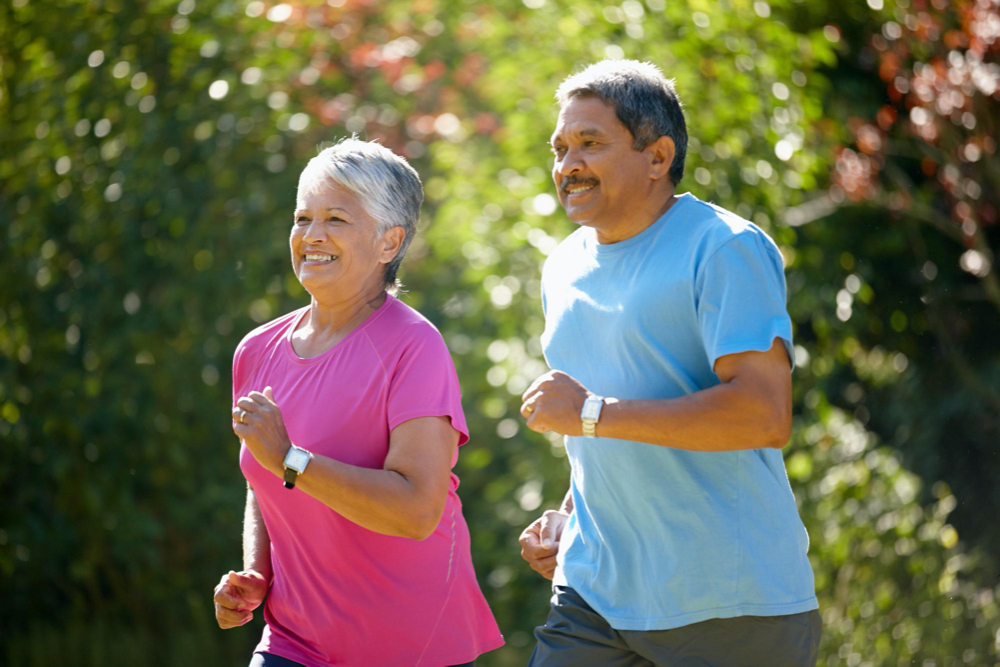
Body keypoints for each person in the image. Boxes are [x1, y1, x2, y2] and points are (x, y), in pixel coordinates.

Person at [517, 60, 820, 666]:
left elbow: (763, 415)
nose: (567, 164)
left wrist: (592, 414)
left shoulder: (726, 247)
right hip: (594, 593)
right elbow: (605, 424)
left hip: (730, 605)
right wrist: (570, 515)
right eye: (560, 148)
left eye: (590, 144)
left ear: (658, 157)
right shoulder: (562, 268)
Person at [213, 138, 504, 666]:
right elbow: (266, 473)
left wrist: (292, 459)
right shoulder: (256, 350)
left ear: (389, 242)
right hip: (293, 642)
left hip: (409, 647)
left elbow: (417, 510)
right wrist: (257, 570)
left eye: (336, 219)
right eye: (303, 218)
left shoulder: (414, 347)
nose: (312, 235)